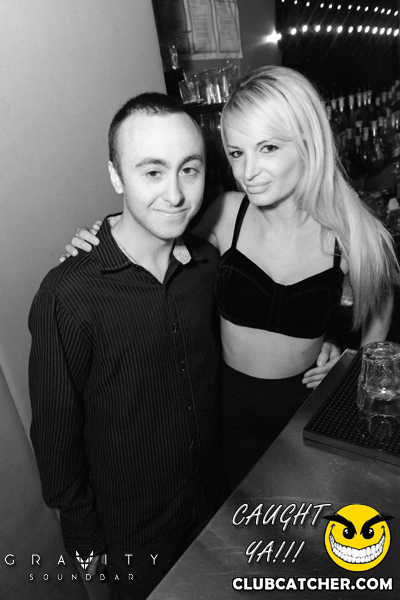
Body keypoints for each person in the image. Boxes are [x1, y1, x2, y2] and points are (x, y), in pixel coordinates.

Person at [62, 66, 399, 490]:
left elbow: (381, 301)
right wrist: (103, 235)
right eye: (236, 153)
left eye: (268, 148)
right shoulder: (226, 214)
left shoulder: (348, 235)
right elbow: (159, 241)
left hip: (304, 411)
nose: (248, 171)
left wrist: (352, 368)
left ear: (308, 143)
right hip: (223, 412)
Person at [29, 92, 224, 600]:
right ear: (116, 177)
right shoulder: (68, 295)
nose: (176, 194)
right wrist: (83, 536)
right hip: (134, 534)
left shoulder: (206, 267)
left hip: (214, 502)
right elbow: (55, 434)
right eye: (152, 172)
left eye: (189, 170)